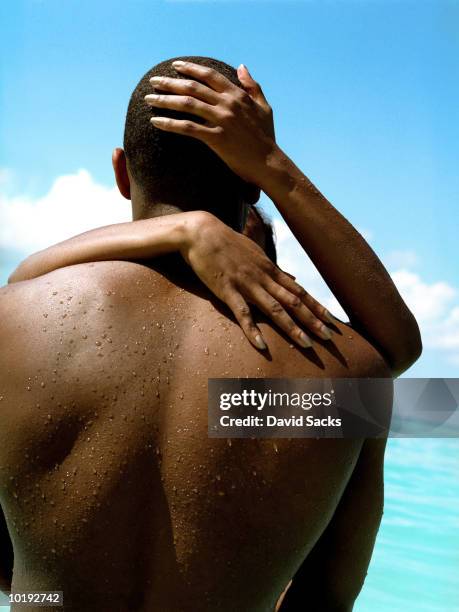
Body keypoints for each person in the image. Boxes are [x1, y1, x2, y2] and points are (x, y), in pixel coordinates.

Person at [0, 56, 422, 611]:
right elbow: (326, 598)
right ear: (251, 185)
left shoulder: (14, 321)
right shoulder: (347, 376)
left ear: (122, 172)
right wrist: (272, 164)